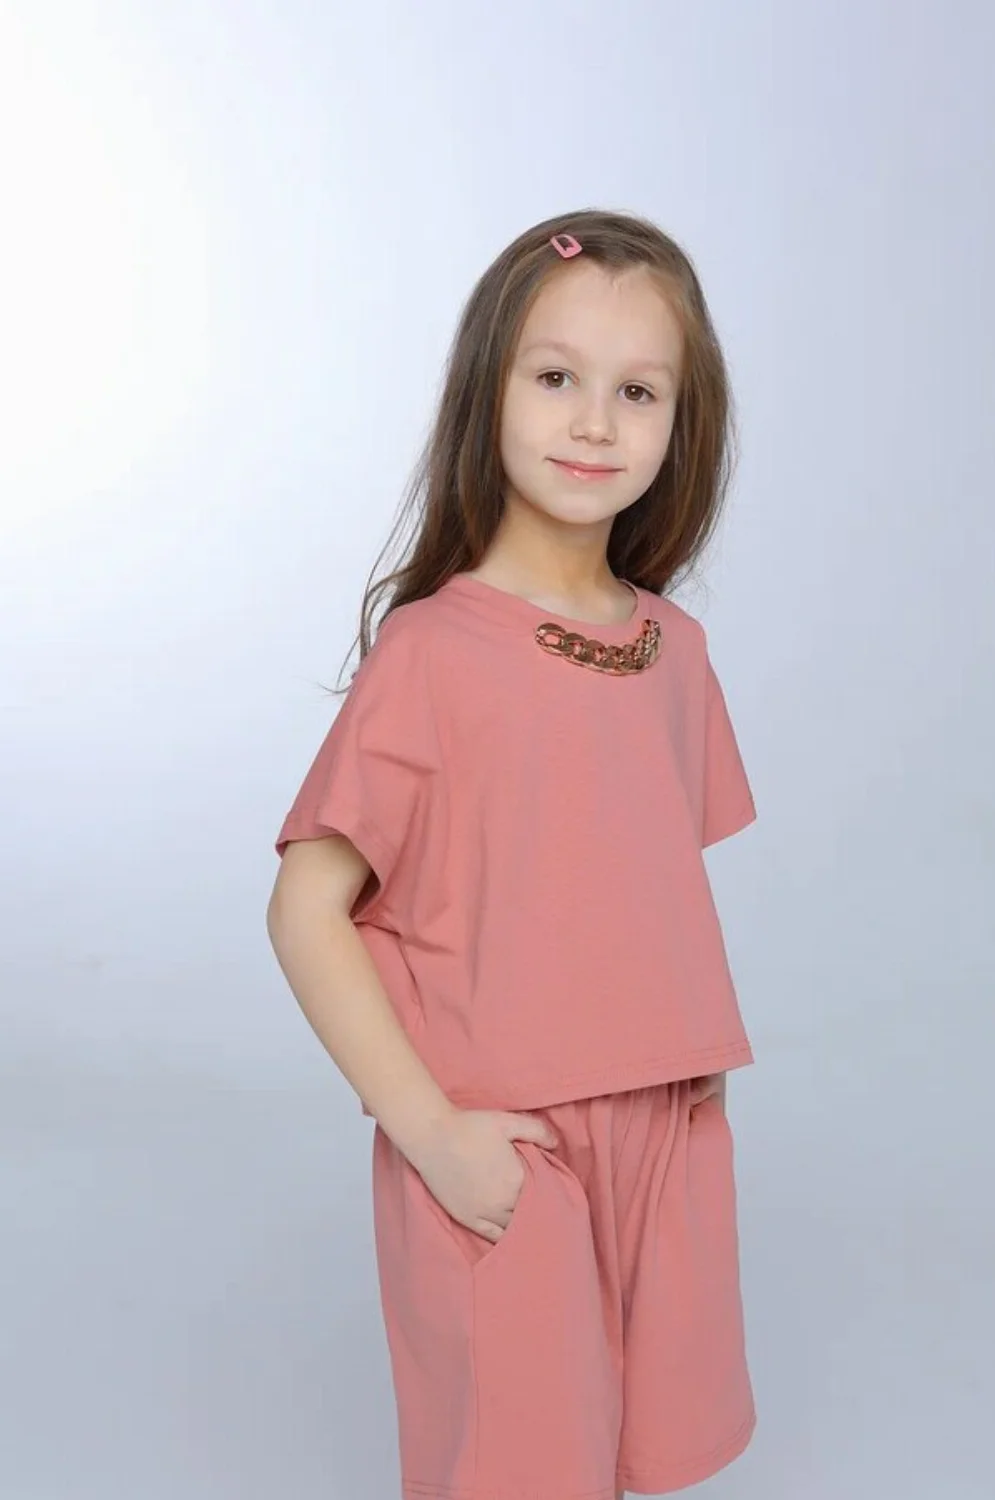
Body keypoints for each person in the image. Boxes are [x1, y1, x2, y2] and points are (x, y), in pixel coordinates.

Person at [266, 208, 759, 1500]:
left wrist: (688, 1073)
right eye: (555, 377)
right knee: (517, 1461)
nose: (594, 422)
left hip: (662, 1127)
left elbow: (638, 874)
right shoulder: (435, 653)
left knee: (633, 1449)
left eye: (637, 391)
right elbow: (307, 910)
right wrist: (429, 1130)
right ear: (489, 389)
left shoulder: (673, 653)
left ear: (682, 421)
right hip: (507, 1137)